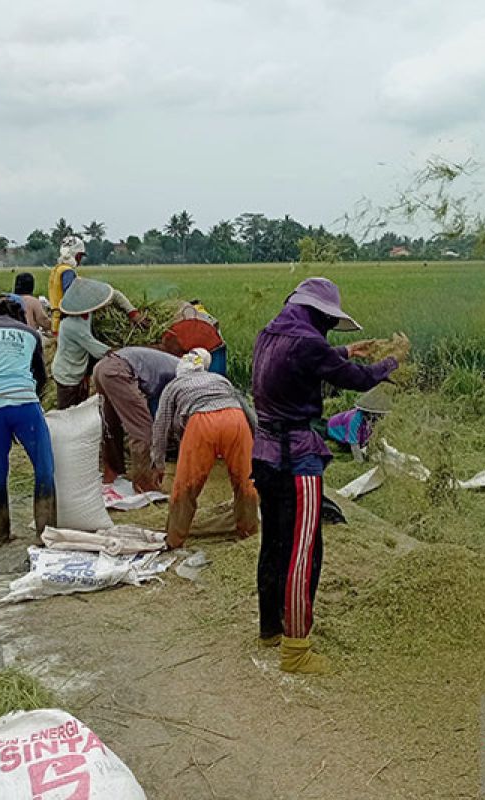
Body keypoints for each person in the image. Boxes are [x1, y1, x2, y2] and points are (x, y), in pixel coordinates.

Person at [252, 277, 404, 675]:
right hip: (296, 460)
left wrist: (345, 351)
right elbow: (357, 379)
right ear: (320, 315)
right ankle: (296, 649)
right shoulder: (309, 343)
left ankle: (270, 627)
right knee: (305, 550)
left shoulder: (269, 334)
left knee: (273, 543)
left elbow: (304, 360)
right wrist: (391, 362)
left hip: (264, 456)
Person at [0, 296, 56, 546]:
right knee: (44, 467)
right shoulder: (29, 334)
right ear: (20, 315)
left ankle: (1, 535)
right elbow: (41, 376)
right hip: (25, 405)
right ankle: (45, 533)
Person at [151, 349, 259, 550]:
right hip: (235, 419)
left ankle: (174, 541)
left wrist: (157, 462)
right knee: (246, 481)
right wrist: (260, 440)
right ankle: (248, 534)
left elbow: (161, 424)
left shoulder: (173, 386)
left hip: (201, 423)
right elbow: (246, 408)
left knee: (186, 485)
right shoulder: (220, 379)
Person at [94, 345, 180, 492]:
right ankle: (144, 485)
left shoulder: (172, 363)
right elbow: (166, 414)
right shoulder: (181, 375)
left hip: (102, 367)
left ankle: (112, 473)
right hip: (118, 372)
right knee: (143, 429)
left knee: (111, 424)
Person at [53, 278, 140, 410]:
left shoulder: (85, 312)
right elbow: (100, 350)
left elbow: (115, 295)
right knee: (68, 412)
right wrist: (127, 352)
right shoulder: (72, 326)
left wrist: (132, 312)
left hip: (81, 367)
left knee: (81, 407)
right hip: (68, 374)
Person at [326, 385, 392, 461]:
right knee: (352, 448)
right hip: (335, 430)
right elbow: (354, 443)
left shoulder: (375, 420)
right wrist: (360, 463)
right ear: (369, 413)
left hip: (357, 429)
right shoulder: (355, 420)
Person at [48, 235, 86, 333]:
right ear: (76, 255)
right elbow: (69, 296)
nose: (80, 259)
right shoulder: (68, 271)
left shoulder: (57, 269)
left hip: (55, 319)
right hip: (63, 321)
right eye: (80, 255)